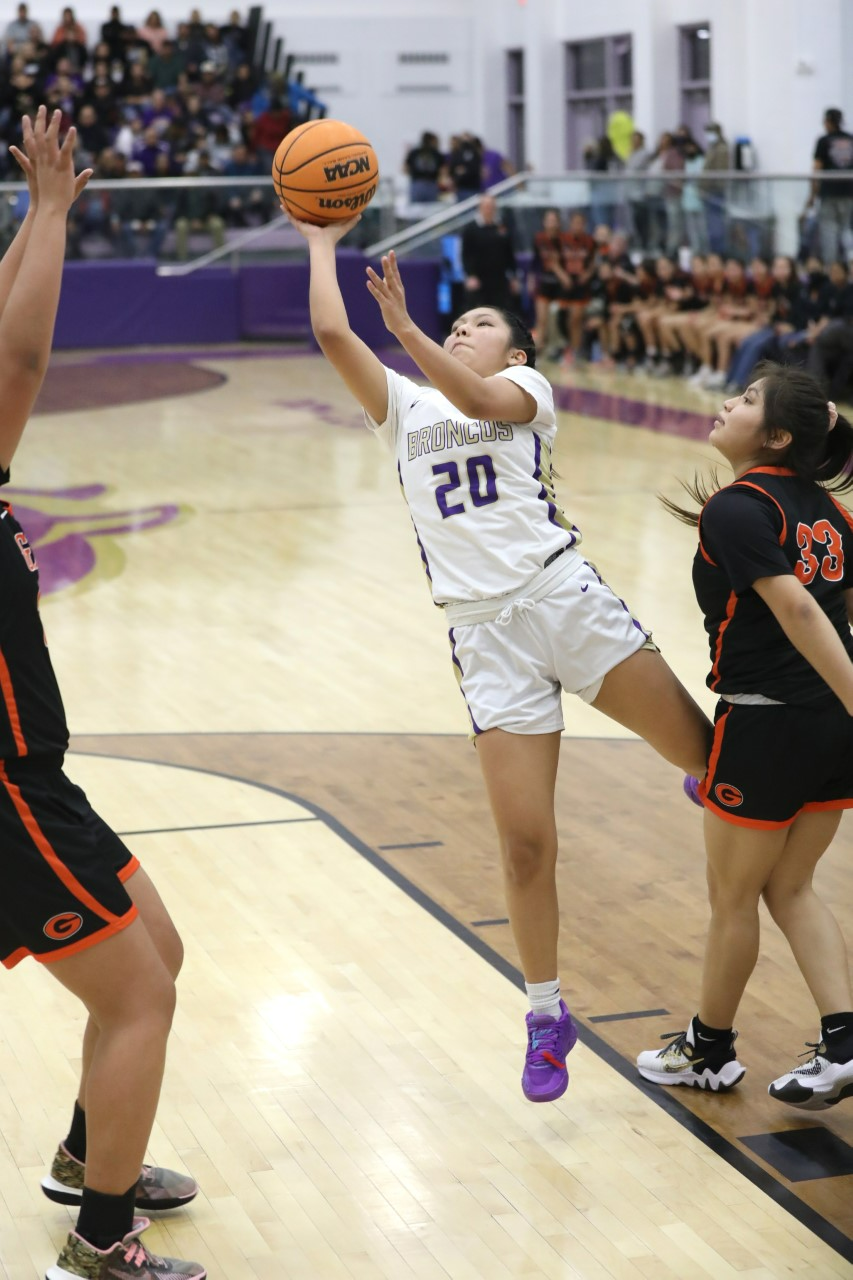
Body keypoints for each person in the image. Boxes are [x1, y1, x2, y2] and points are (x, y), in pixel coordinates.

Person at [287, 209, 713, 1104]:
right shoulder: (403, 406)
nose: (459, 331)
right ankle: (544, 1012)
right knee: (524, 845)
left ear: (514, 351)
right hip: (483, 636)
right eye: (453, 325)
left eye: (476, 325)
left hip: (564, 601)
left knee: (711, 761)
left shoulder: (527, 391)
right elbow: (330, 329)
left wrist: (405, 328)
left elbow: (477, 400)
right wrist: (320, 239)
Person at [0, 106, 204, 1280]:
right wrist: (53, 214)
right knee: (136, 994)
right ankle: (100, 1237)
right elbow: (20, 357)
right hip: (4, 787)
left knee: (158, 954)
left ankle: (91, 1158)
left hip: (34, 776)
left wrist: (37, 217)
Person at [638, 363, 853, 1111]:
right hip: (831, 728)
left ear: (777, 435)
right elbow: (842, 614)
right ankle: (844, 1040)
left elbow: (799, 615)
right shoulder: (831, 512)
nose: (729, 401)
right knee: (789, 886)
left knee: (732, 899)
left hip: (764, 724)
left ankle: (708, 1049)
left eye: (749, 398)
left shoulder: (737, 506)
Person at [809, 108, 853, 267]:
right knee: (846, 230)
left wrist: (812, 195)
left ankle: (831, 268)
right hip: (849, 193)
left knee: (829, 232)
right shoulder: (850, 139)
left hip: (829, 193)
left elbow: (816, 169)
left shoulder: (824, 141)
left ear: (828, 122)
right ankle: (850, 263)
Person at [460, 192, 518, 311]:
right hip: (479, 281)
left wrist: (513, 276)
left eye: (491, 206)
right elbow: (466, 255)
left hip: (500, 280)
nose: (489, 209)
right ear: (480, 208)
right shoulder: (471, 229)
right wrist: (470, 275)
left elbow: (509, 253)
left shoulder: (502, 226)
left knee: (503, 313)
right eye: (486, 206)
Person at [404, 130, 444, 204]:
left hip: (417, 184)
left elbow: (405, 168)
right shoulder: (436, 153)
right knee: (431, 211)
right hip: (431, 184)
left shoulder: (414, 152)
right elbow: (443, 171)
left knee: (415, 210)